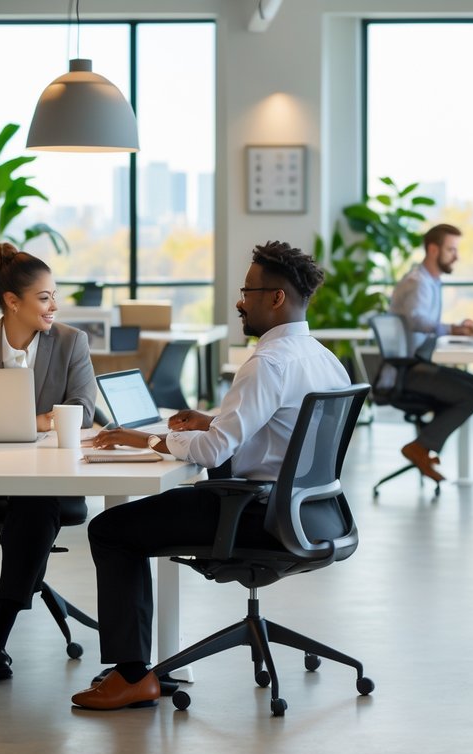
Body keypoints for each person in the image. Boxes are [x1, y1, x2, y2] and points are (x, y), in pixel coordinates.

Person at [70, 241, 350, 711]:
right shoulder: (324, 359)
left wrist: (148, 440)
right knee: (128, 525)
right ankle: (133, 668)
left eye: (247, 291)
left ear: (275, 298)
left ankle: (133, 675)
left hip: (254, 513)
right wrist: (213, 421)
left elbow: (213, 452)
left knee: (110, 530)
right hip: (311, 513)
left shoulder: (268, 363)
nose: (240, 301)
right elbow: (283, 435)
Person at [0, 243, 96, 680]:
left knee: (38, 502)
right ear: (12, 301)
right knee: (36, 506)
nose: (55, 306)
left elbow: (83, 410)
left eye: (54, 295)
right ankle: (2, 627)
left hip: (52, 479)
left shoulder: (71, 342)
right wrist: (42, 420)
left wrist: (13, 423)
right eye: (44, 297)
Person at [386, 223, 473, 482]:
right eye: (451, 249)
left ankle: (424, 443)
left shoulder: (430, 281)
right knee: (469, 394)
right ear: (433, 249)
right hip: (407, 370)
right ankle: (420, 446)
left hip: (418, 363)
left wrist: (454, 330)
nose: (457, 256)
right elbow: (416, 320)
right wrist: (452, 328)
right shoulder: (418, 282)